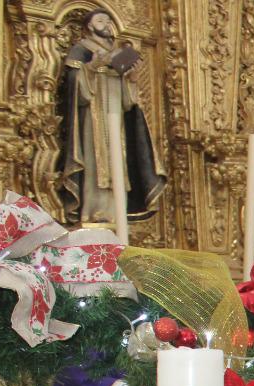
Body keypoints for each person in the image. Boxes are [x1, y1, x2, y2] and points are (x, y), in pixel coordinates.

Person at [57, 8, 166, 225]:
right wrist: (92, 67)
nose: (106, 24)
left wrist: (131, 78)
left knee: (119, 160)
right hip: (93, 116)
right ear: (89, 25)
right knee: (95, 161)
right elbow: (73, 90)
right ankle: (94, 211)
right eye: (100, 20)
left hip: (115, 115)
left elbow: (129, 103)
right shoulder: (81, 50)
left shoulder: (116, 52)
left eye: (108, 21)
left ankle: (116, 211)